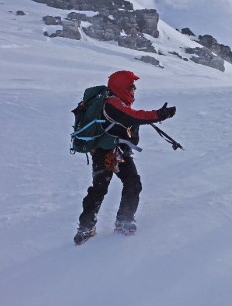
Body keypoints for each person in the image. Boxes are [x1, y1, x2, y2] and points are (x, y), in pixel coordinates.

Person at [74, 70, 175, 245]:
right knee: (100, 188)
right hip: (104, 153)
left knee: (132, 182)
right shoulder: (112, 104)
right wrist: (160, 114)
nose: (134, 89)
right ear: (121, 87)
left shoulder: (119, 102)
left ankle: (124, 220)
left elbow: (130, 118)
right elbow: (134, 116)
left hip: (120, 152)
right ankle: (86, 227)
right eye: (131, 86)